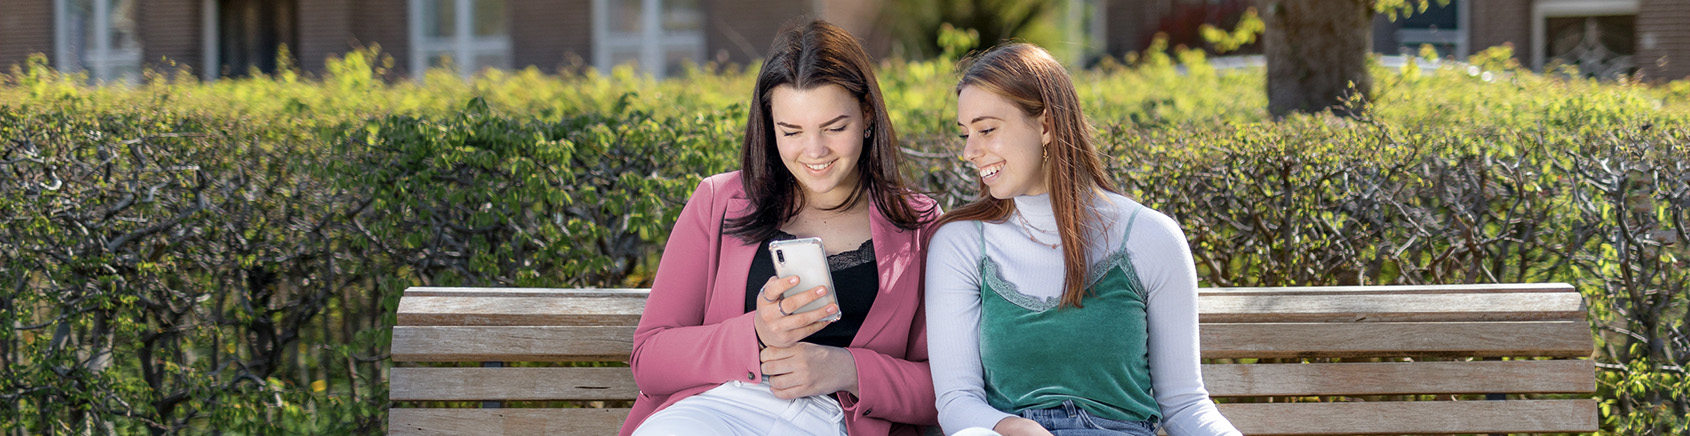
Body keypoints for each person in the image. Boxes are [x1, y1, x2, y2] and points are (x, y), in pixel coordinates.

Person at [620, 18, 942, 436]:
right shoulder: (718, 201)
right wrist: (754, 332)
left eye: (835, 128)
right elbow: (650, 359)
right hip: (714, 410)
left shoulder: (918, 225)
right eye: (791, 131)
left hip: (832, 422)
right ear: (770, 127)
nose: (815, 151)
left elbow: (944, 389)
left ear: (866, 115)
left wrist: (848, 370)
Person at [924, 43, 1242, 436]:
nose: (970, 151)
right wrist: (1018, 430)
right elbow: (957, 401)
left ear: (1045, 126)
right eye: (964, 134)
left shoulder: (1149, 237)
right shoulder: (961, 244)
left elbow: (1185, 404)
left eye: (986, 129)